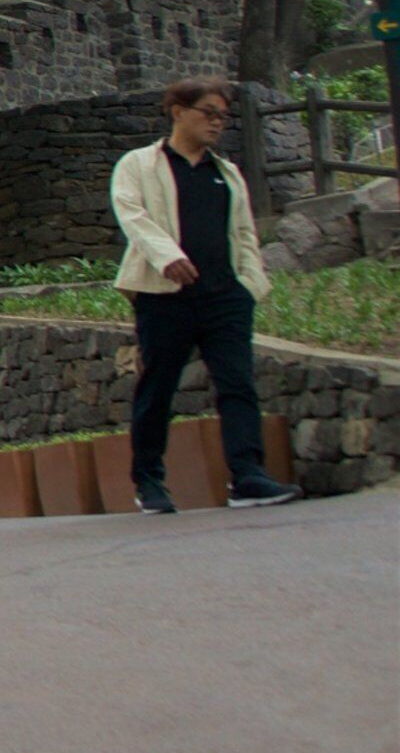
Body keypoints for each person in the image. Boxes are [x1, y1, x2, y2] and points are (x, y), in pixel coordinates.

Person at [111, 77, 302, 511]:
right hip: (164, 294)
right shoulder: (139, 164)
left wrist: (250, 285)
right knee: (158, 387)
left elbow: (244, 232)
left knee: (237, 384)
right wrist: (167, 257)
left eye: (223, 115)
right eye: (209, 113)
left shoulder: (227, 173)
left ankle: (248, 477)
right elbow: (132, 216)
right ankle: (150, 482)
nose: (218, 122)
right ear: (178, 111)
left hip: (225, 296)